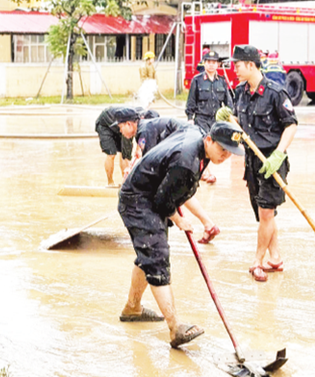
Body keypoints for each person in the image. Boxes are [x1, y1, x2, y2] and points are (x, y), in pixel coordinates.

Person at [118, 122, 244, 349]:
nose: (225, 156)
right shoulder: (186, 163)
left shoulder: (196, 136)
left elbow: (169, 130)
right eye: (222, 149)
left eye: (230, 152)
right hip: (138, 199)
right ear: (209, 140)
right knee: (157, 259)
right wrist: (178, 219)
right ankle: (175, 328)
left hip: (150, 190)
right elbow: (162, 201)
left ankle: (132, 308)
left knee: (148, 254)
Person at [216, 45, 298, 283]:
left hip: (272, 160)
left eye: (238, 65)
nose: (235, 70)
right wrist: (228, 118)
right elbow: (240, 122)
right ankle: (276, 257)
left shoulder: (275, 93)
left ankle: (258, 261)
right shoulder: (241, 92)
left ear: (251, 65)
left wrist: (278, 154)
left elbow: (291, 125)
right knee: (264, 215)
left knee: (266, 211)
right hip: (252, 160)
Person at [124, 114, 222, 244]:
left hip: (183, 157)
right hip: (188, 150)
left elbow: (150, 166)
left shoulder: (145, 130)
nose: (120, 132)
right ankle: (208, 224)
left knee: (176, 187)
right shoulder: (149, 127)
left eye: (120, 127)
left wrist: (132, 172)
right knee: (181, 188)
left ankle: (208, 224)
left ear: (129, 124)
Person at [185, 50, 233, 184]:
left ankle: (203, 171)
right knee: (202, 146)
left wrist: (229, 117)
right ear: (204, 63)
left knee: (213, 147)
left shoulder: (222, 81)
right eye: (208, 62)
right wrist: (190, 118)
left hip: (215, 121)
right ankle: (205, 172)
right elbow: (191, 102)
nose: (211, 65)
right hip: (201, 119)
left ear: (218, 64)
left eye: (214, 62)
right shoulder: (197, 80)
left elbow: (228, 103)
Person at [95, 106, 138, 187]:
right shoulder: (129, 121)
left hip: (120, 124)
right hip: (105, 124)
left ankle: (125, 182)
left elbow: (126, 156)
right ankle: (110, 182)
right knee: (111, 154)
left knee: (125, 154)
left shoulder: (135, 123)